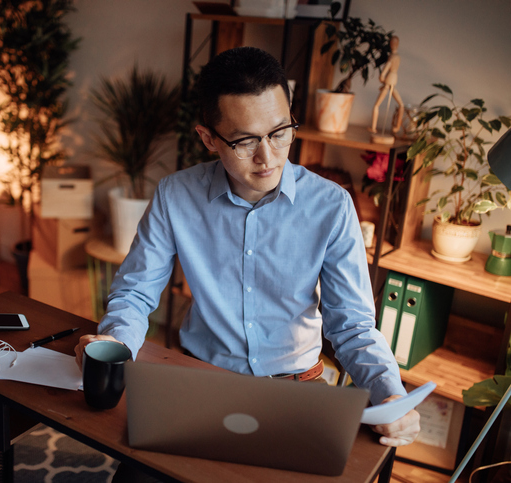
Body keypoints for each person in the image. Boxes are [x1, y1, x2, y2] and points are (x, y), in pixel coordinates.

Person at [75, 47, 420, 450]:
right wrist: (116, 341)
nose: (267, 157)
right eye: (244, 141)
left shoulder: (332, 205)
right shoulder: (176, 195)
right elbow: (135, 293)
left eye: (279, 133)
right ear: (208, 138)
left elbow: (352, 326)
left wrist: (390, 393)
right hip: (200, 379)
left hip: (298, 389)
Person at [370, 35, 403, 134]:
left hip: (389, 79)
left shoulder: (392, 56)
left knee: (377, 104)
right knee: (401, 104)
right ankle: (397, 126)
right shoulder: (398, 57)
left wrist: (382, 76)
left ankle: (373, 127)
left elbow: (386, 68)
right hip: (394, 78)